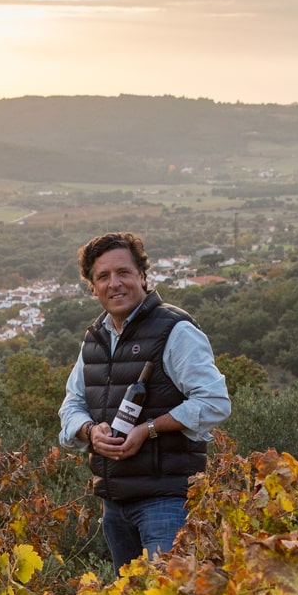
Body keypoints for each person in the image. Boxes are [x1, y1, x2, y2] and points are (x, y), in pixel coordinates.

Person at [58, 231, 231, 572]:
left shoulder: (175, 330)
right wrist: (90, 431)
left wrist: (149, 429)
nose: (114, 283)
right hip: (114, 506)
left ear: (142, 275)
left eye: (123, 272)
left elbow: (214, 402)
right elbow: (71, 406)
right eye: (103, 277)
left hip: (167, 503)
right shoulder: (95, 340)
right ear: (93, 287)